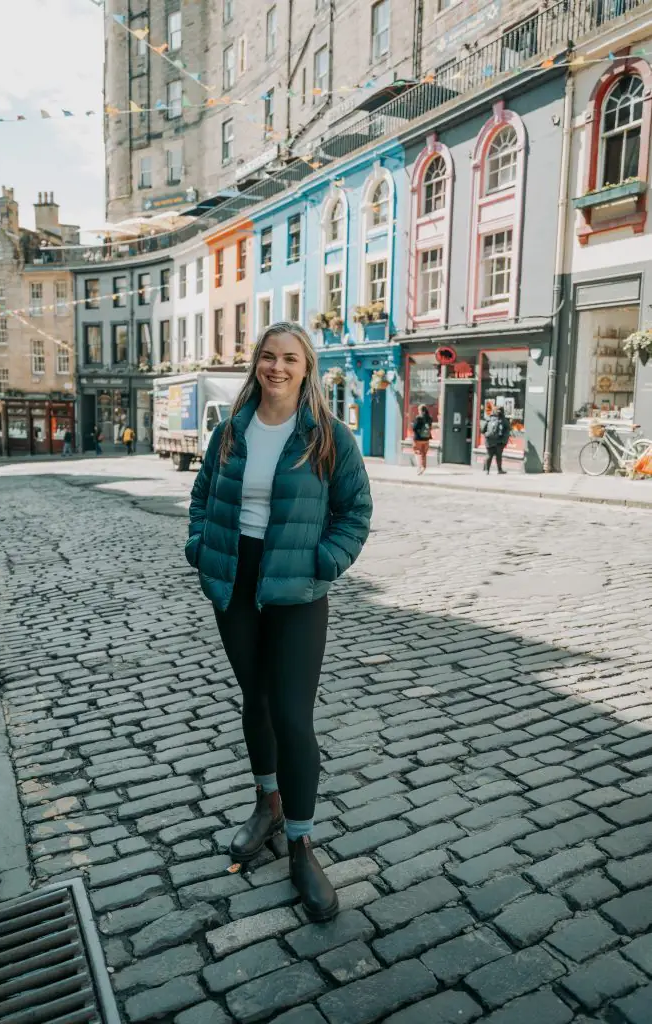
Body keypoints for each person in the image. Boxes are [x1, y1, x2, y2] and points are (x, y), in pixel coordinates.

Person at [186, 321, 372, 922]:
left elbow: (355, 512)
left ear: (306, 367)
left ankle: (301, 843)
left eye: (290, 358)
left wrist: (325, 562)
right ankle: (266, 804)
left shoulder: (328, 437)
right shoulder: (230, 433)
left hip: (297, 588)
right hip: (235, 579)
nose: (277, 368)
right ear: (256, 364)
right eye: (268, 357)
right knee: (255, 701)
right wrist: (200, 546)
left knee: (292, 715)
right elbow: (202, 494)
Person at [482, 406, 511, 474]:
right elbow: (508, 429)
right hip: (499, 441)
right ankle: (499, 470)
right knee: (498, 456)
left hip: (489, 440)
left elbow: (483, 430)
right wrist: (504, 441)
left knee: (489, 455)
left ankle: (487, 470)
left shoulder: (489, 419)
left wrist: (487, 435)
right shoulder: (504, 420)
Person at [412, 404, 433, 475]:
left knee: (417, 452)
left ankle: (419, 467)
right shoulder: (430, 418)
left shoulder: (418, 418)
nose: (418, 411)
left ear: (421, 411)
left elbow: (414, 428)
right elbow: (430, 427)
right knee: (424, 454)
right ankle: (424, 467)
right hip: (426, 439)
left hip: (418, 439)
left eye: (419, 410)